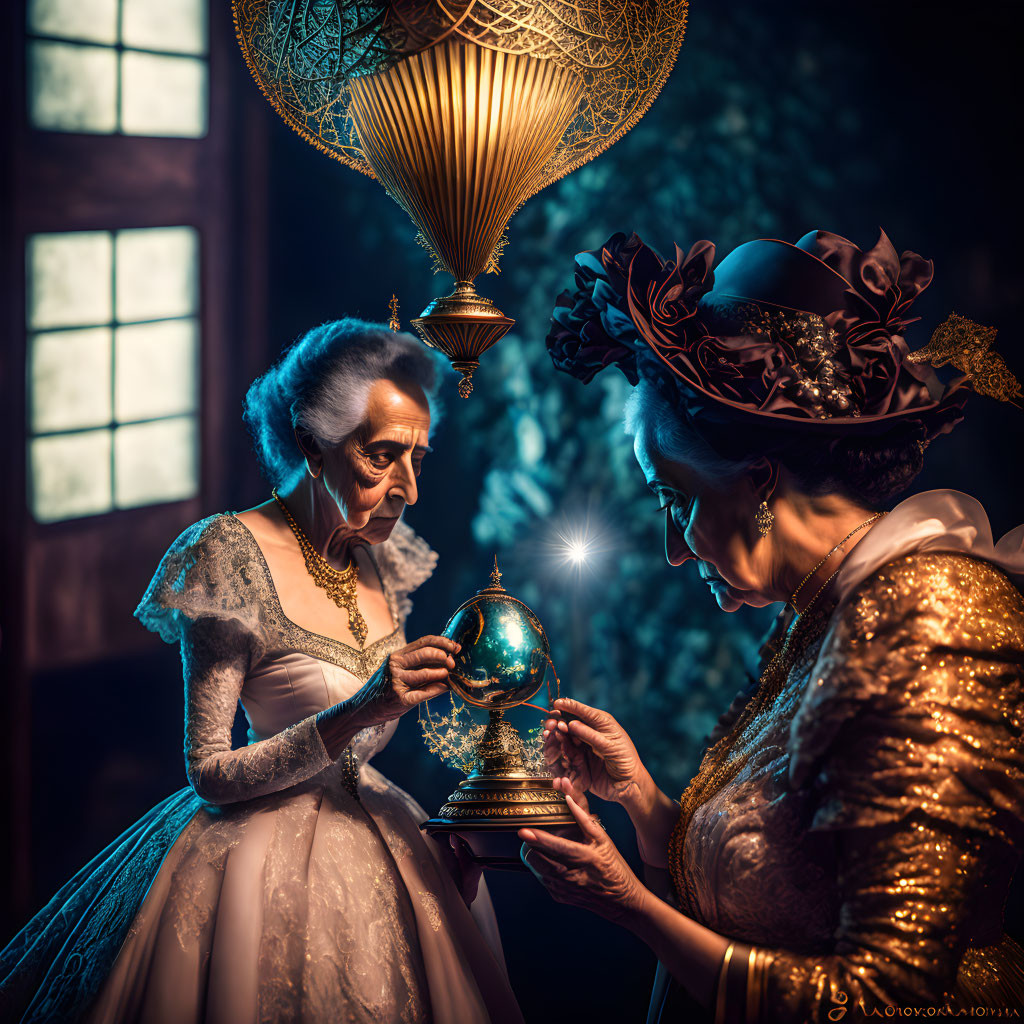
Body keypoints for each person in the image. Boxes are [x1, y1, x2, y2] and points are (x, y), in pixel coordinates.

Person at [521, 229, 1024, 1020]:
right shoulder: (824, 613)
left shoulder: (929, 617)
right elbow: (785, 890)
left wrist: (632, 909)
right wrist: (644, 802)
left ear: (759, 480)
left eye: (673, 500)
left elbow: (884, 999)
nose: (674, 550)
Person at [1, 319, 523, 1024]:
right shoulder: (229, 555)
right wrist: (361, 709)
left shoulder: (383, 557)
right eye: (382, 455)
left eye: (419, 459)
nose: (408, 489)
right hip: (249, 864)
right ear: (312, 443)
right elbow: (210, 772)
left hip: (383, 837)